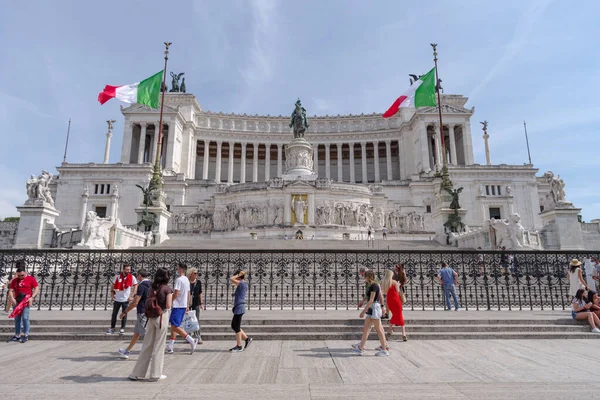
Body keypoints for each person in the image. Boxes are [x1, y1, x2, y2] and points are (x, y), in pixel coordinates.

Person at [128, 267, 173, 381]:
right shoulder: (167, 289)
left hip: (151, 316)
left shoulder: (151, 287)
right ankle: (155, 374)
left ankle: (137, 373)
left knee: (147, 344)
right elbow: (168, 305)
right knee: (159, 345)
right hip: (161, 315)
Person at [351, 271, 389, 356]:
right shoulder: (372, 285)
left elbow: (372, 300)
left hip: (374, 308)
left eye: (365, 276)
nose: (364, 278)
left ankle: (384, 349)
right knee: (366, 329)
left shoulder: (374, 286)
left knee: (378, 329)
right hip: (372, 308)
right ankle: (360, 348)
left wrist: (363, 311)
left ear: (369, 277)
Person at [118, 269, 152, 359]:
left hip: (142, 311)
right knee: (137, 333)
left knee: (145, 334)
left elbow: (135, 301)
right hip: (148, 310)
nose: (137, 277)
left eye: (137, 275)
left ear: (140, 275)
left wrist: (125, 312)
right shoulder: (151, 284)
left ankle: (151, 353)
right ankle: (127, 350)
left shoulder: (142, 286)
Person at [166, 263, 198, 355]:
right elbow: (188, 293)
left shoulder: (179, 280)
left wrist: (170, 301)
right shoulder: (186, 280)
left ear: (181, 270)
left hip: (178, 305)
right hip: (183, 305)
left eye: (177, 269)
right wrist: (187, 304)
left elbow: (176, 293)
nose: (176, 270)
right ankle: (170, 345)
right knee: (174, 325)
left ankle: (190, 339)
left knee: (174, 326)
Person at [7, 260, 39, 343]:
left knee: (25, 317)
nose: (21, 277)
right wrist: (12, 298)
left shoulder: (31, 278)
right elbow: (10, 290)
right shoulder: (15, 280)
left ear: (25, 272)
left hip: (26, 300)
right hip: (17, 300)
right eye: (19, 275)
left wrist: (32, 297)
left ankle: (26, 335)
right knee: (17, 318)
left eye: (22, 275)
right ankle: (17, 335)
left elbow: (36, 288)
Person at [107, 264, 138, 335]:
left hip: (126, 299)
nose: (128, 271)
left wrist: (132, 296)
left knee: (124, 314)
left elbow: (135, 286)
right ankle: (112, 328)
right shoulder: (118, 277)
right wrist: (112, 294)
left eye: (129, 270)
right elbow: (113, 285)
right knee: (114, 314)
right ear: (123, 269)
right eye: (127, 269)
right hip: (117, 298)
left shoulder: (132, 277)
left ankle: (122, 328)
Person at [229, 269, 252, 352]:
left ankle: (239, 346)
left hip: (239, 307)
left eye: (237, 276)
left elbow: (231, 279)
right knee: (234, 325)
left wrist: (239, 274)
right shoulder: (243, 284)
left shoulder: (241, 283)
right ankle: (247, 339)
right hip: (239, 307)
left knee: (236, 326)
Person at [381, 269, 407, 341]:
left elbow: (384, 292)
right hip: (396, 299)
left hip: (389, 300)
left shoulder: (384, 282)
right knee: (399, 315)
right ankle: (403, 334)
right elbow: (398, 291)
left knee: (395, 315)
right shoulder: (394, 282)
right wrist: (398, 285)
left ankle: (389, 331)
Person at [188, 267, 203, 343]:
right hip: (188, 303)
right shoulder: (187, 282)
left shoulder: (199, 282)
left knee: (196, 320)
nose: (196, 274)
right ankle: (189, 336)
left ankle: (198, 336)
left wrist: (201, 303)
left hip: (196, 302)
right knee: (188, 320)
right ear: (190, 274)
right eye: (195, 273)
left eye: (197, 273)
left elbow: (200, 292)